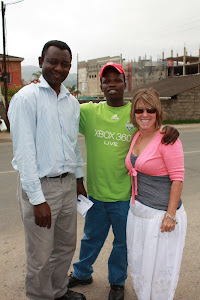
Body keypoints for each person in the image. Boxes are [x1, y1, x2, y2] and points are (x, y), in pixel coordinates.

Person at [68, 62, 179, 300]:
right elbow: (62, 109)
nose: (112, 85)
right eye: (106, 81)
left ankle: (117, 283)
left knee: (122, 244)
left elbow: (154, 126)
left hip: (125, 197)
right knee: (90, 239)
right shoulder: (89, 112)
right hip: (96, 195)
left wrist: (170, 129)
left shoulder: (135, 113)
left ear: (125, 83)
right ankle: (82, 272)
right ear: (101, 85)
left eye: (116, 80)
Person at [8, 40, 87, 300]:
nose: (58, 68)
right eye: (53, 61)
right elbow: (25, 154)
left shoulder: (71, 102)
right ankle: (40, 297)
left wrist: (78, 179)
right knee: (40, 254)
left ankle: (58, 291)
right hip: (41, 188)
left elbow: (72, 145)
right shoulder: (25, 98)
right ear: (41, 60)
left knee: (65, 246)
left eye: (65, 64)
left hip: (66, 186)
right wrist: (37, 200)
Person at [125, 88, 187, 300]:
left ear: (157, 111)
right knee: (142, 266)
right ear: (133, 113)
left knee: (159, 271)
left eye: (150, 109)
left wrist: (170, 215)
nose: (145, 114)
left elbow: (177, 178)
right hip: (138, 213)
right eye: (139, 109)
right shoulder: (136, 136)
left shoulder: (168, 139)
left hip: (160, 217)